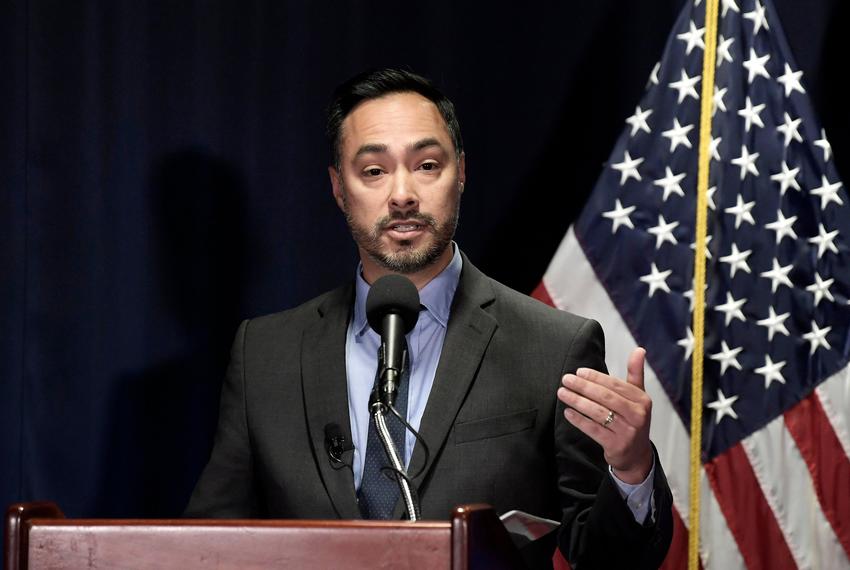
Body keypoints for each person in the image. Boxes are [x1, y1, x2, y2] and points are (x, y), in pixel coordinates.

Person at [185, 68, 673, 568]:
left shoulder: (553, 346)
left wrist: (631, 470)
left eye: (426, 164)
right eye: (373, 171)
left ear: (460, 171)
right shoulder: (265, 354)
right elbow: (208, 547)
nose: (402, 195)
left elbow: (610, 560)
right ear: (338, 186)